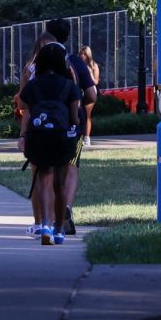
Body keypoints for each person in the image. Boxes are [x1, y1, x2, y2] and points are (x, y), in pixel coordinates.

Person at [18, 43, 82, 246]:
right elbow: (75, 118)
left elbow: (25, 109)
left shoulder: (33, 86)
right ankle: (59, 228)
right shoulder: (69, 86)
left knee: (43, 180)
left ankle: (44, 224)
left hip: (38, 137)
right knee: (60, 184)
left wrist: (23, 136)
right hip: (61, 139)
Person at [42, 18, 96, 236]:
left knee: (48, 170)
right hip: (72, 124)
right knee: (71, 168)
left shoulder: (40, 62)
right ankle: (66, 209)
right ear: (68, 36)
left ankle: (47, 219)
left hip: (45, 124)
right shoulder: (76, 61)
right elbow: (92, 93)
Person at [78, 45, 100, 147]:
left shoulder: (93, 65)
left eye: (85, 54)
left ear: (88, 55)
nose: (83, 56)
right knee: (78, 113)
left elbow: (96, 81)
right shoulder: (77, 64)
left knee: (87, 115)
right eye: (81, 54)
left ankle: (87, 137)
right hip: (79, 90)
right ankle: (79, 136)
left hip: (89, 90)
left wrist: (88, 74)